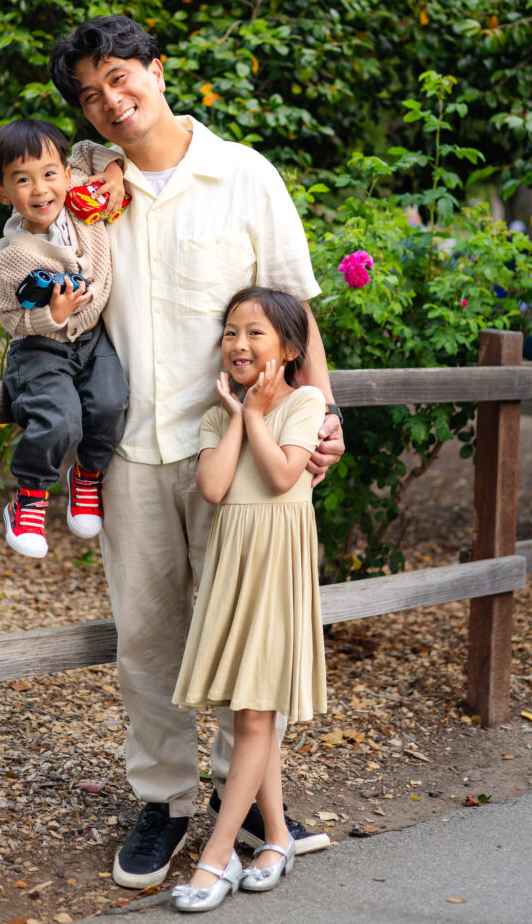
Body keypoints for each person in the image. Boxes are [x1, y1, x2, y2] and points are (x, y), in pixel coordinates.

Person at [48, 15, 345, 888]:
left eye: (120, 77)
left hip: (241, 446)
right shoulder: (84, 191)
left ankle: (247, 801)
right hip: (132, 451)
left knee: (244, 632)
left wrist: (322, 416)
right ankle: (163, 800)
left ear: (156, 68)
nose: (111, 101)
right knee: (147, 635)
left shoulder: (244, 174)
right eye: (91, 94)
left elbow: (296, 310)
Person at [171, 287, 327, 911]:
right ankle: (279, 837)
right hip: (234, 570)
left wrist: (258, 415)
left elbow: (284, 475)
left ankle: (218, 854)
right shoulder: (220, 416)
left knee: (257, 712)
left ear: (289, 349)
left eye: (256, 333)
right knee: (245, 709)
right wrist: (238, 415)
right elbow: (212, 487)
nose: (239, 344)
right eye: (231, 332)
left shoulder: (307, 401)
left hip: (277, 569)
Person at [0, 118, 130, 558]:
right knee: (60, 418)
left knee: (110, 402)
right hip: (41, 347)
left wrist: (117, 173)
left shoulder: (80, 193)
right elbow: (12, 320)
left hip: (92, 337)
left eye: (49, 173)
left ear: (66, 175)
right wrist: (51, 315)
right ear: (3, 193)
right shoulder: (14, 257)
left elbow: (91, 149)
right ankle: (29, 497)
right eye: (22, 180)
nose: (41, 189)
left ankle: (86, 475)